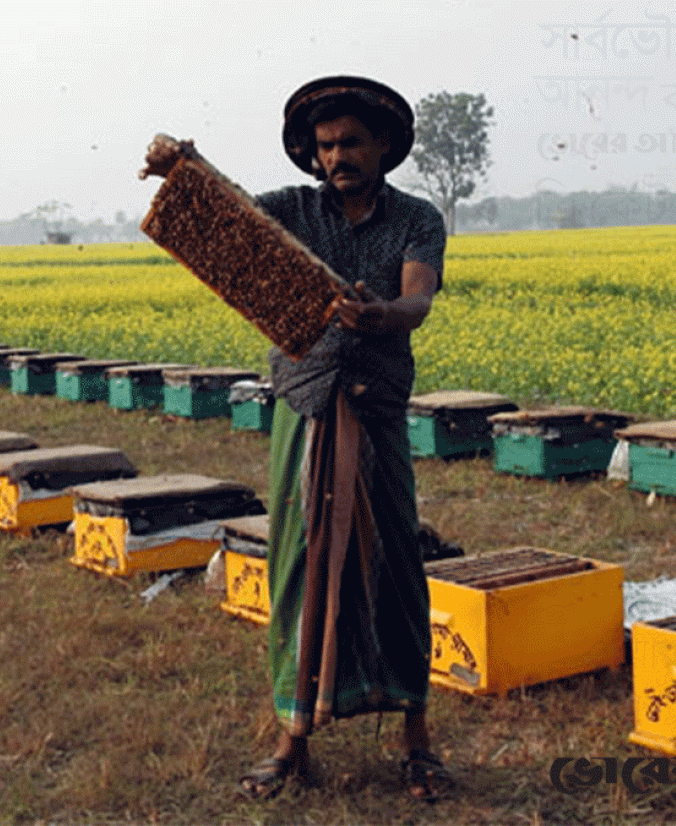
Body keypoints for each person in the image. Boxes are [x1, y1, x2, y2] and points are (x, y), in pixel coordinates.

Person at [144, 76, 451, 802]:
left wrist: (385, 314)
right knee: (296, 564)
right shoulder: (293, 209)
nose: (337, 155)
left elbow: (418, 298)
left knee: (396, 566)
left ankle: (415, 737)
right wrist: (183, 166)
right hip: (305, 405)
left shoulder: (417, 216)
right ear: (310, 155)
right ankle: (292, 739)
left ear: (381, 146)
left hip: (375, 405)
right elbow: (229, 218)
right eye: (325, 145)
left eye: (350, 142)